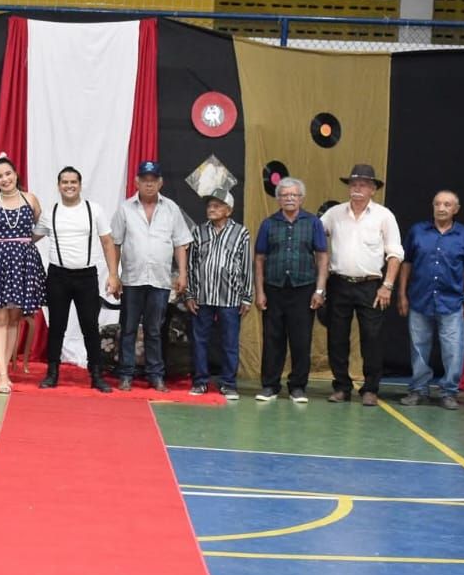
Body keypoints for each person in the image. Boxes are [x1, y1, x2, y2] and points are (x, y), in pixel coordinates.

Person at [320, 163, 403, 404]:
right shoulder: (334, 214)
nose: (357, 189)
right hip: (339, 283)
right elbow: (315, 235)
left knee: (372, 338)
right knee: (337, 337)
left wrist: (387, 285)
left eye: (364, 185)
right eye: (354, 184)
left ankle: (370, 389)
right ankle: (341, 386)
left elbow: (395, 253)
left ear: (373, 189)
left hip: (371, 285)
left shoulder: (384, 215)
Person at [107, 160, 192, 392]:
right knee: (128, 328)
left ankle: (156, 375)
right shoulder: (125, 209)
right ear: (137, 182)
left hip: (160, 280)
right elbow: (115, 243)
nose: (149, 184)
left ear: (160, 182)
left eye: (153, 180)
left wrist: (183, 273)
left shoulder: (171, 208)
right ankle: (126, 374)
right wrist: (113, 275)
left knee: (155, 330)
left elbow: (180, 243)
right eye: (144, 180)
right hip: (132, 279)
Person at [0, 155, 46, 394]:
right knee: (0, 318)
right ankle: (1, 374)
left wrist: (25, 244)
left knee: (14, 318)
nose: (5, 179)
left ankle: (5, 371)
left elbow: (43, 226)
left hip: (23, 263)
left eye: (8, 174)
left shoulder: (30, 199)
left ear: (16, 174)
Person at [38, 166, 115, 392]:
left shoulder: (94, 210)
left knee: (90, 326)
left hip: (86, 276)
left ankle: (96, 374)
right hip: (57, 276)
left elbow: (107, 242)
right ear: (58, 185)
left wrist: (113, 274)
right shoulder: (50, 212)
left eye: (73, 182)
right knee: (57, 326)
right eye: (65, 182)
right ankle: (52, 373)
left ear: (80, 185)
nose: (69, 186)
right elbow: (31, 237)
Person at [397, 190, 464, 409]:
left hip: (452, 302)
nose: (441, 208)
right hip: (420, 299)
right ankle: (418, 390)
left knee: (453, 350)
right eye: (438, 204)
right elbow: (406, 263)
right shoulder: (417, 231)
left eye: (447, 204)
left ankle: (449, 392)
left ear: (456, 209)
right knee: (419, 347)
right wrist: (402, 294)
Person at [253, 178, 328, 403]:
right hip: (273, 289)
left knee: (301, 340)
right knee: (272, 339)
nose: (289, 199)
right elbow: (259, 259)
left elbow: (322, 257)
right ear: (278, 199)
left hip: (304, 289)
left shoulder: (313, 223)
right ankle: (270, 386)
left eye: (294, 195)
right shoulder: (268, 224)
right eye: (285, 195)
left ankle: (298, 387)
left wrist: (320, 290)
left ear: (301, 198)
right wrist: (260, 291)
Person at [185, 191, 253, 400]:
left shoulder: (241, 233)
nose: (211, 209)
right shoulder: (198, 231)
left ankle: (228, 384)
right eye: (209, 206)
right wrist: (190, 294)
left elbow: (246, 265)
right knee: (200, 341)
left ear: (228, 210)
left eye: (217, 205)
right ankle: (200, 382)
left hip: (230, 297)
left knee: (229, 342)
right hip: (203, 296)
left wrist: (247, 297)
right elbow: (191, 264)